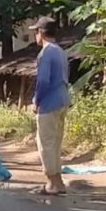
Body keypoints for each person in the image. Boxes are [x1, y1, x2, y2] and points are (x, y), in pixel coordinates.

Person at [30, 16, 70, 196]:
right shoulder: (60, 51)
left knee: (45, 143)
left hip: (49, 103)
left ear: (41, 33)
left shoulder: (46, 53)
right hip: (62, 100)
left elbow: (43, 81)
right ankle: (58, 182)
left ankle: (52, 183)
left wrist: (36, 101)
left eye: (35, 32)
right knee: (56, 143)